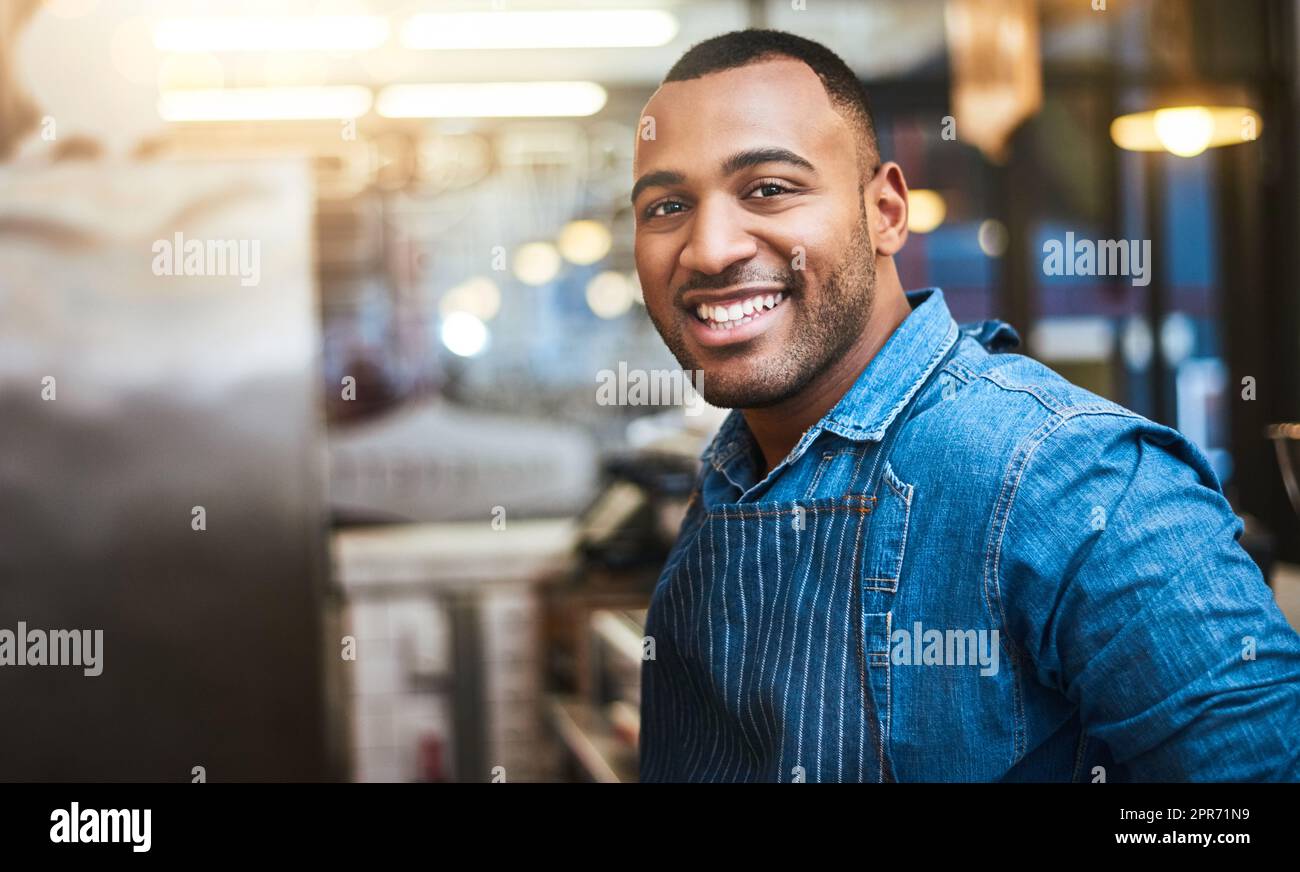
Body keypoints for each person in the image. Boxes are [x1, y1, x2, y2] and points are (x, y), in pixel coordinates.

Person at [632, 28, 1300, 782]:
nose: (710, 248)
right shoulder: (730, 476)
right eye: (666, 206)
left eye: (769, 189)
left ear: (885, 211)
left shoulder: (1076, 479)